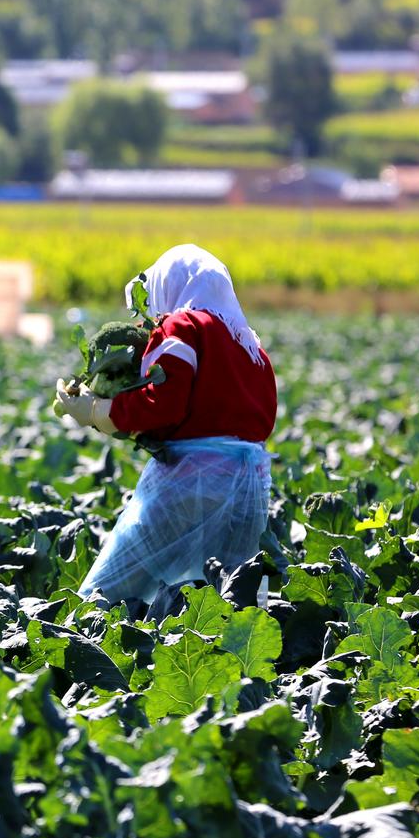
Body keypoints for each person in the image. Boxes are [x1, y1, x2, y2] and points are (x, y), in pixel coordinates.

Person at [54, 244, 277, 607]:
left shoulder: (182, 325)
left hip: (189, 481)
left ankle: (77, 639)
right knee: (235, 599)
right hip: (250, 485)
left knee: (112, 586)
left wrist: (97, 411)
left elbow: (163, 405)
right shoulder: (250, 344)